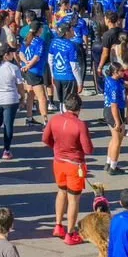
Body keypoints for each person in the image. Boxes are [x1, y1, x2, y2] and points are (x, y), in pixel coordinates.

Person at [41, 91, 91, 246]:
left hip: (59, 161)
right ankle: (70, 233)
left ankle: (58, 225)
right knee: (73, 199)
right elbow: (88, 149)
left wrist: (56, 148)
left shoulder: (55, 119)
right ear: (79, 109)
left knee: (61, 191)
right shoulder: (79, 125)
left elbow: (45, 139)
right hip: (74, 164)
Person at [0, 47, 23, 159]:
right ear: (6, 55)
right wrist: (22, 98)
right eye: (12, 53)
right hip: (10, 99)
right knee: (8, 124)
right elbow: (20, 86)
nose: (13, 55)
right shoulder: (13, 68)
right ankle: (6, 150)